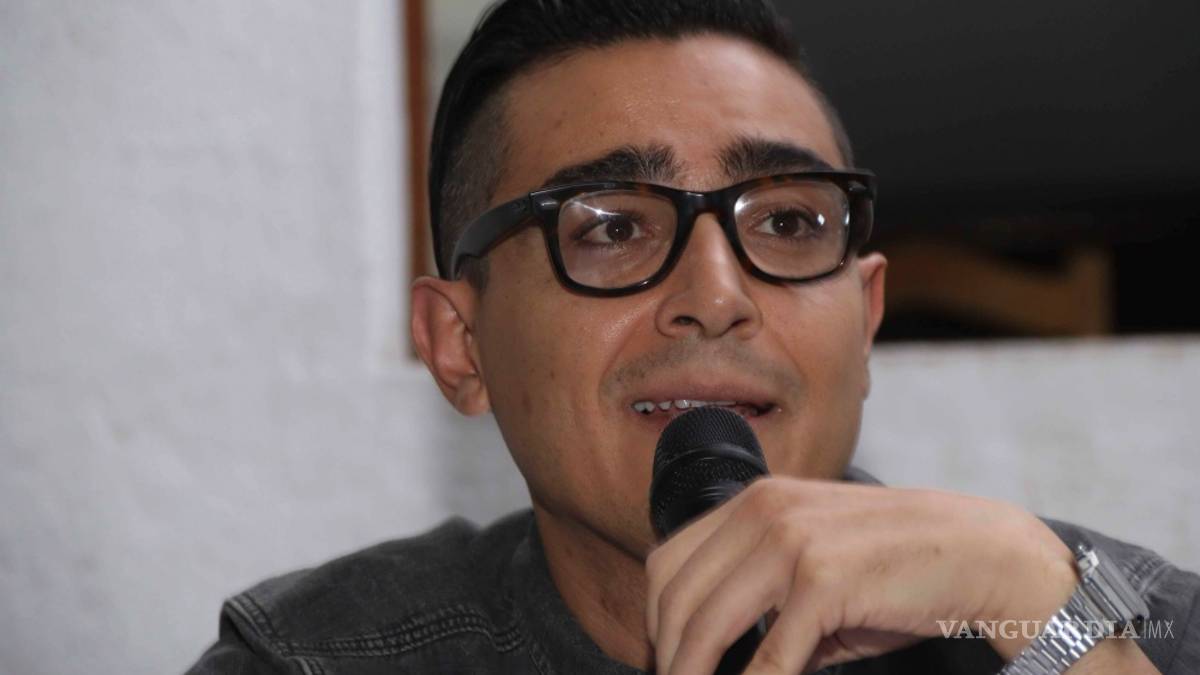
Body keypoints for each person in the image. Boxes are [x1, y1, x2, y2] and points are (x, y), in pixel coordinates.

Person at [187, 1, 1198, 673]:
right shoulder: (324, 659)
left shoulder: (1116, 614)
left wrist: (1055, 630)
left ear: (866, 316)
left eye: (788, 221)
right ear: (460, 343)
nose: (715, 296)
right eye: (612, 228)